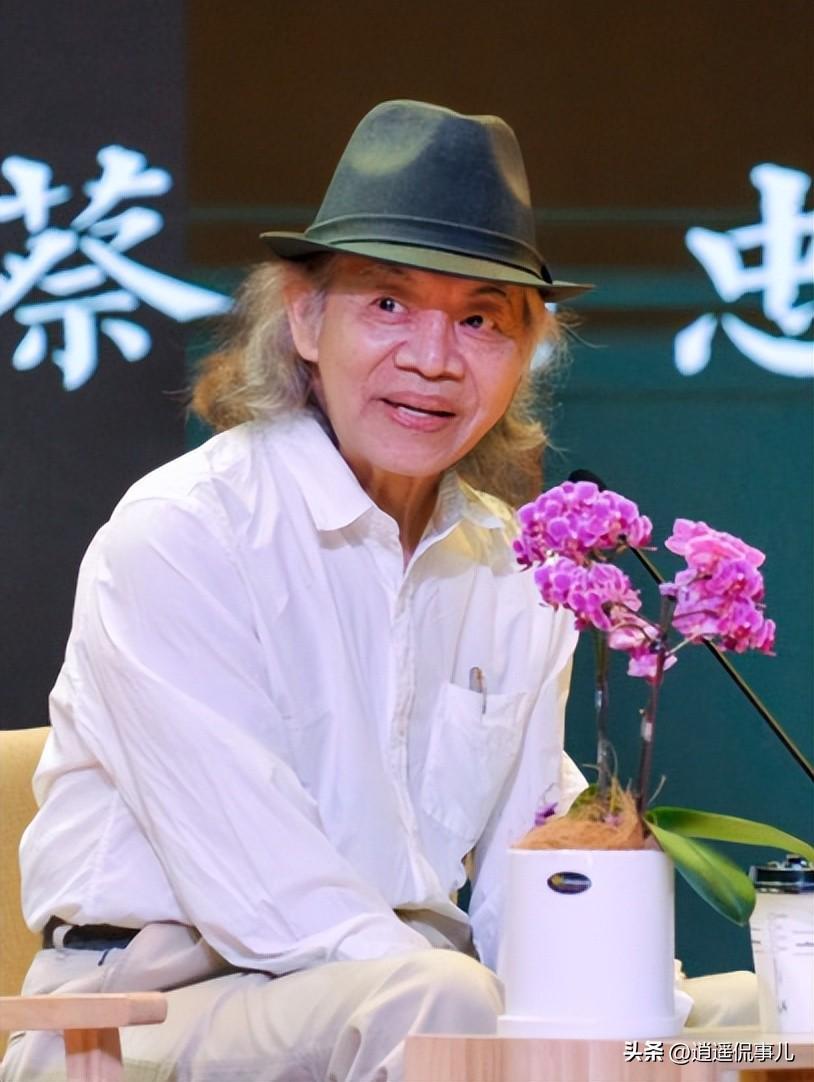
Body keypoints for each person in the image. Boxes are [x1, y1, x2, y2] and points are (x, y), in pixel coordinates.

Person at [2, 100, 753, 1082]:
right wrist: (511, 1032)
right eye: (389, 305)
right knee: (438, 1000)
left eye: (480, 320)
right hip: (148, 1009)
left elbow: (522, 869)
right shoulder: (187, 533)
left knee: (745, 1017)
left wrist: (637, 1018)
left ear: (526, 352)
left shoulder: (514, 566)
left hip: (423, 995)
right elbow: (269, 893)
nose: (433, 359)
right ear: (306, 319)